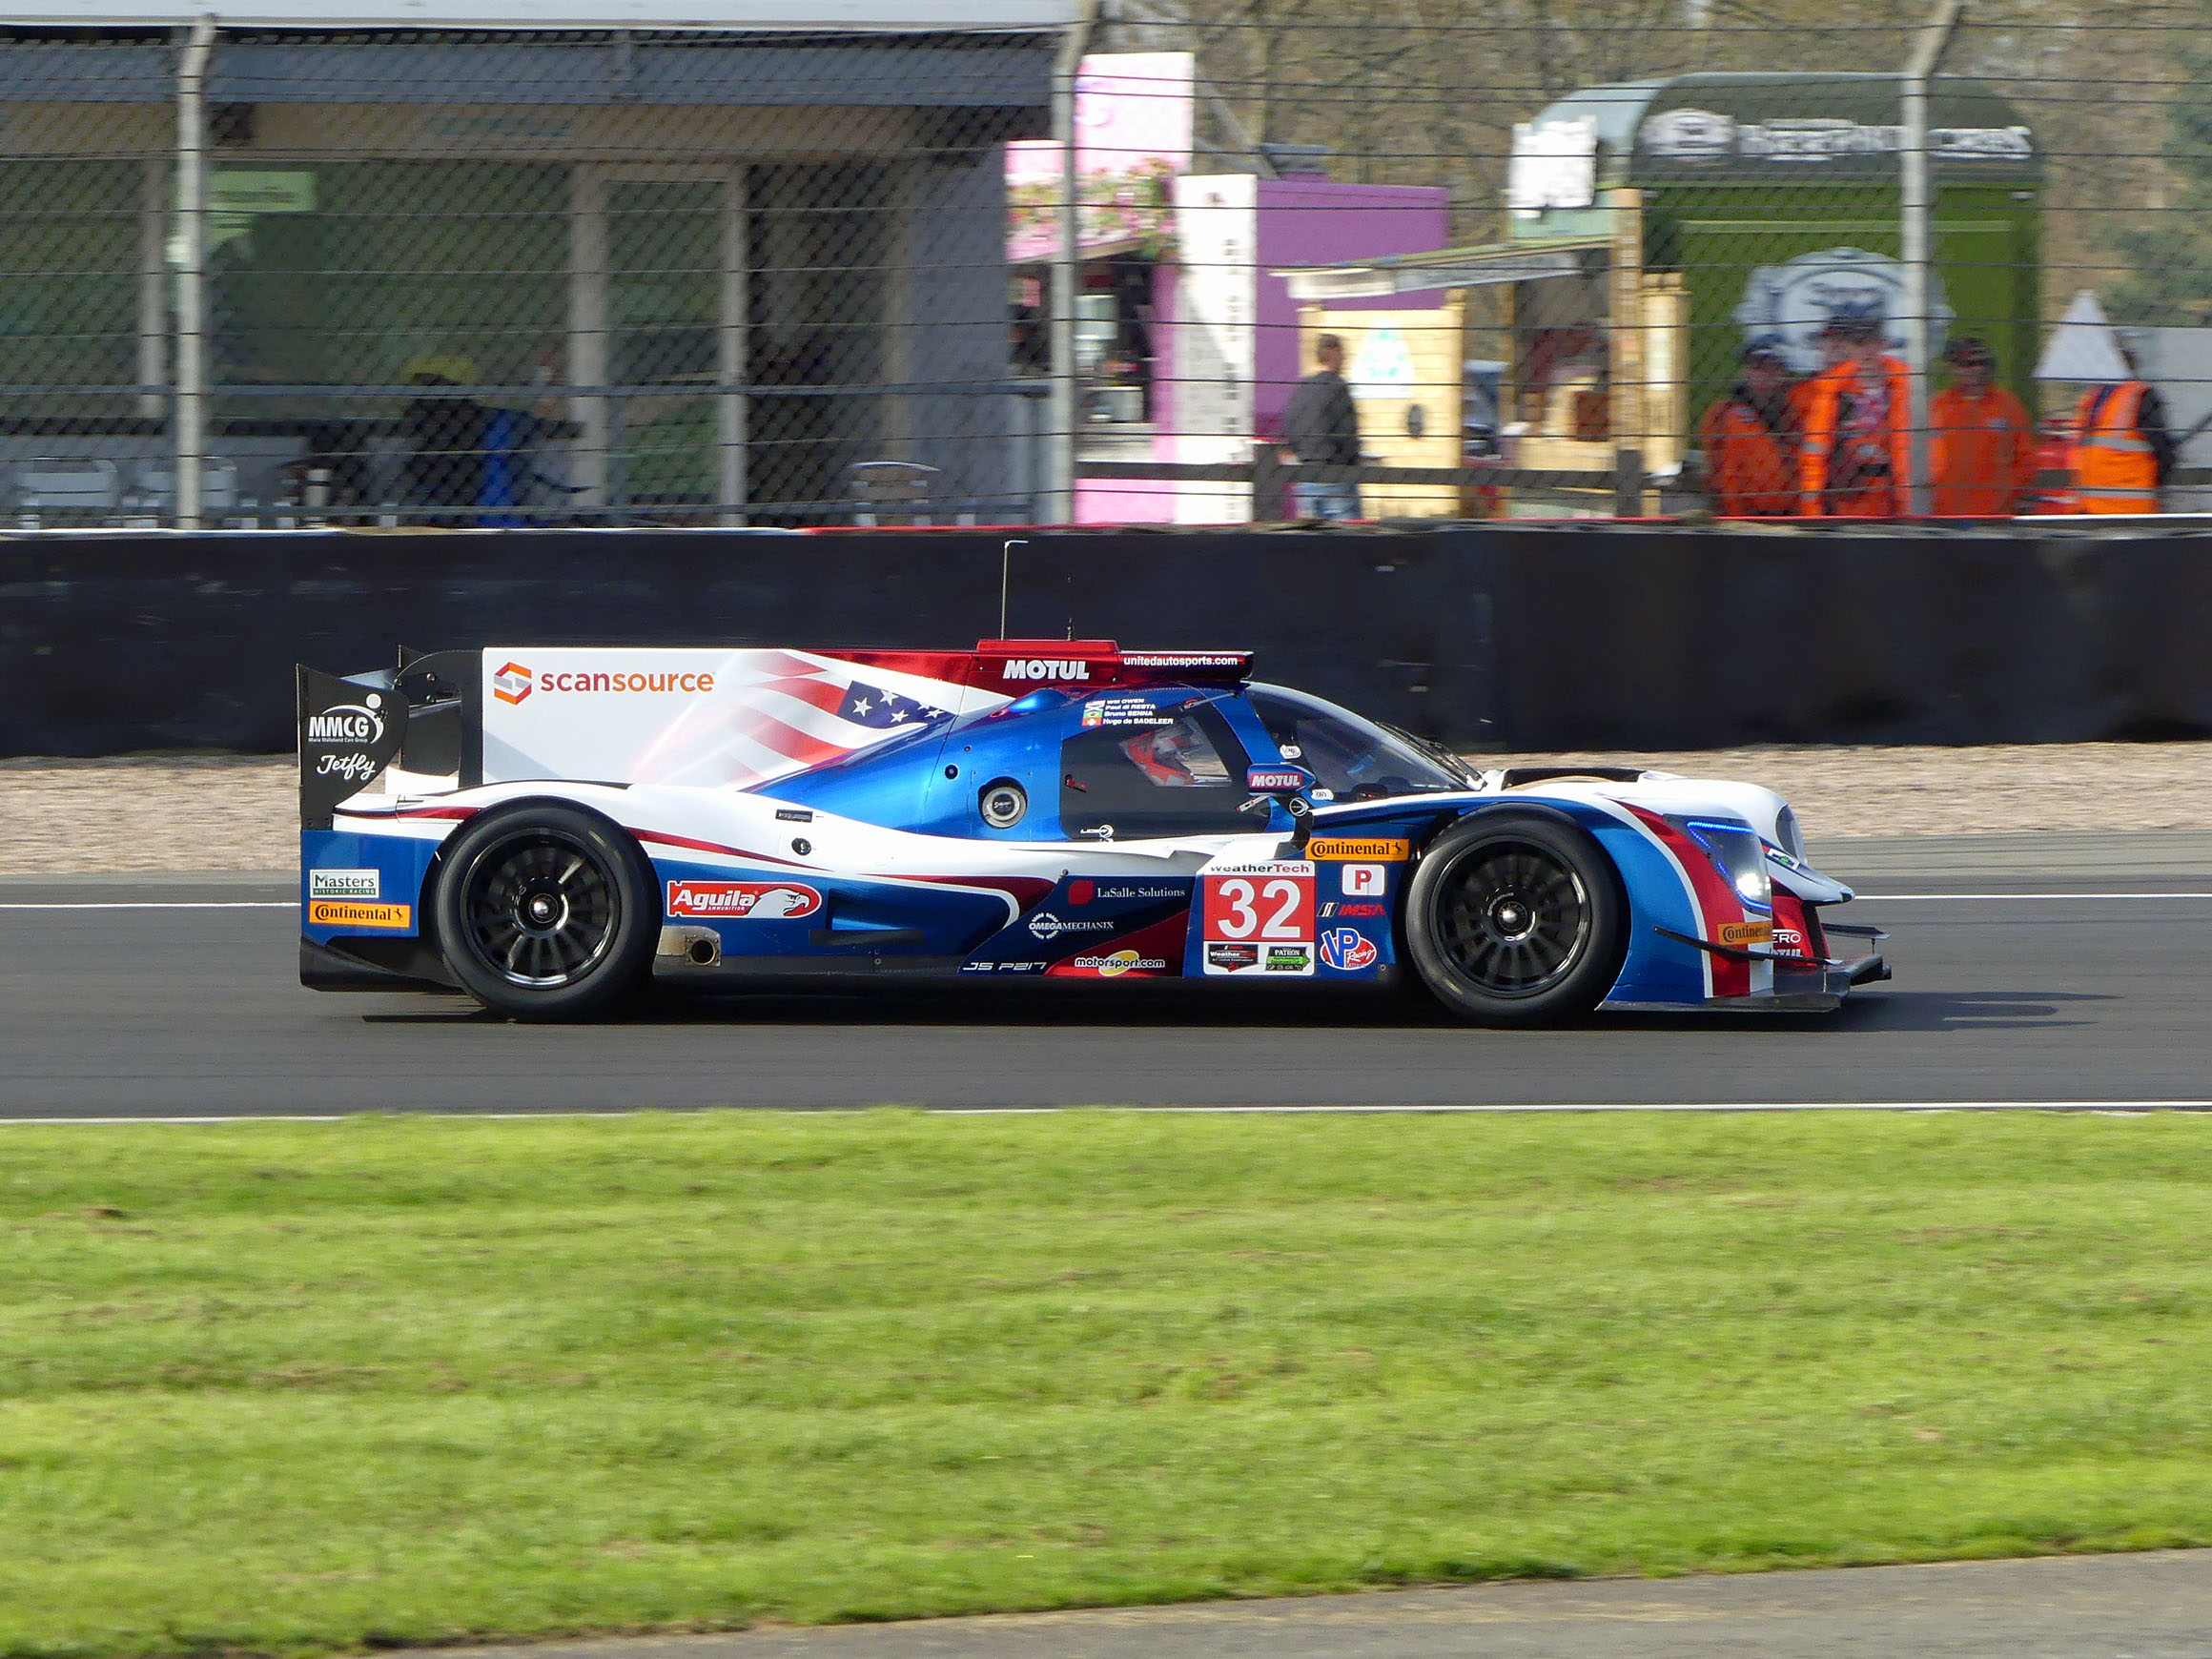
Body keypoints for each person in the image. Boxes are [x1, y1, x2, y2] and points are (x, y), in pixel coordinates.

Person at [1799, 316, 1912, 518]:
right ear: (1849, 348)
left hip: (1897, 497)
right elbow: (1815, 452)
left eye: (1871, 343)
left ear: (1883, 344)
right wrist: (1812, 507)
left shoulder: (1906, 387)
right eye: (1859, 344)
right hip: (1849, 498)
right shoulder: (1832, 392)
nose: (1866, 352)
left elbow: (1929, 450)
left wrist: (1913, 497)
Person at [1930, 338, 2038, 518]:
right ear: (1953, 368)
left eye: (1980, 363)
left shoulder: (2008, 405)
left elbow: (2026, 459)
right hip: (1945, 514)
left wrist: (2004, 494)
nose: (1974, 369)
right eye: (1964, 364)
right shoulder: (1938, 406)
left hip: (1994, 515)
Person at [2069, 348, 2175, 514]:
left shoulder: (2141, 397)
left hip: (2127, 513)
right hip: (2090, 510)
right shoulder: (2093, 399)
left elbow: (2165, 454)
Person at [1698, 344, 1798, 517]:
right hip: (1745, 513)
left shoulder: (1795, 413)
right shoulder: (1724, 414)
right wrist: (1734, 516)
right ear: (1745, 372)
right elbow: (1723, 471)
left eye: (1773, 369)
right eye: (1759, 369)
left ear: (1783, 374)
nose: (1766, 376)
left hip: (1793, 514)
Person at [1280, 333, 1362, 521]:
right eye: (1342, 354)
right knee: (1348, 534)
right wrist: (1354, 465)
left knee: (1311, 534)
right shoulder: (1339, 387)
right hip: (1337, 476)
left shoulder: (1302, 390)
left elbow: (1288, 430)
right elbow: (1348, 433)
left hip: (1307, 478)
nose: (1344, 358)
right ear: (1335, 352)